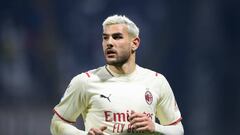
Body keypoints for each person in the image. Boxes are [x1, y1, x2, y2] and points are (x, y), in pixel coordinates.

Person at [50, 14, 184, 135]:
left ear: (135, 43)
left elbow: (177, 130)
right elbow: (57, 124)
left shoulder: (157, 81)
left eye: (117, 37)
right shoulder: (84, 81)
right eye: (105, 38)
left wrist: (155, 127)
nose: (109, 43)